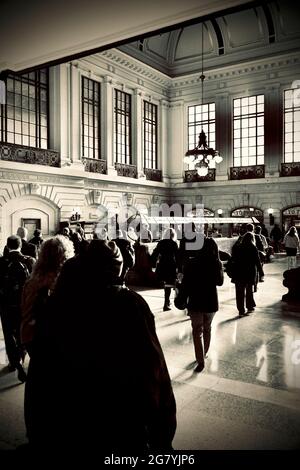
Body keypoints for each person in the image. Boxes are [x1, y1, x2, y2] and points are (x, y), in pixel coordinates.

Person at [24, 239, 176, 455]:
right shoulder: (129, 304)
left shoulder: (58, 302)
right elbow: (152, 369)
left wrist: (36, 431)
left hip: (67, 424)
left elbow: (41, 373)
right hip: (119, 422)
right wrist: (162, 435)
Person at [21, 235, 75, 355]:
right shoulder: (62, 281)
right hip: (51, 337)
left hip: (29, 334)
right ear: (65, 255)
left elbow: (24, 307)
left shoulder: (32, 280)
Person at [180, 235, 223, 373]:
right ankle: (205, 352)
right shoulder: (216, 263)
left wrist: (181, 299)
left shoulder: (191, 263)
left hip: (195, 301)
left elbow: (185, 285)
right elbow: (220, 282)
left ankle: (200, 360)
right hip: (210, 301)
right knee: (207, 328)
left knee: (197, 331)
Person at [0, 235, 35, 382]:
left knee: (9, 334)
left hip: (6, 304)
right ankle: (21, 356)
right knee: (22, 331)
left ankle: (14, 363)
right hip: (24, 303)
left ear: (7, 246)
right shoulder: (29, 261)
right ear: (21, 245)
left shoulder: (1, 262)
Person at [231, 232, 264, 317]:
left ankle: (241, 310)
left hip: (238, 272)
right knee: (249, 290)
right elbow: (257, 261)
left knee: (239, 293)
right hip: (249, 272)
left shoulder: (238, 247)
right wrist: (261, 272)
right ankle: (249, 307)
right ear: (252, 239)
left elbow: (233, 257)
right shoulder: (253, 248)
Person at [151, 228, 179, 311]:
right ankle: (166, 304)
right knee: (169, 285)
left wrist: (153, 264)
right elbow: (177, 256)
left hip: (162, 264)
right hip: (171, 264)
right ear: (173, 235)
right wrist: (179, 267)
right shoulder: (174, 243)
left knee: (166, 284)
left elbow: (155, 253)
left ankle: (167, 302)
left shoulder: (161, 243)